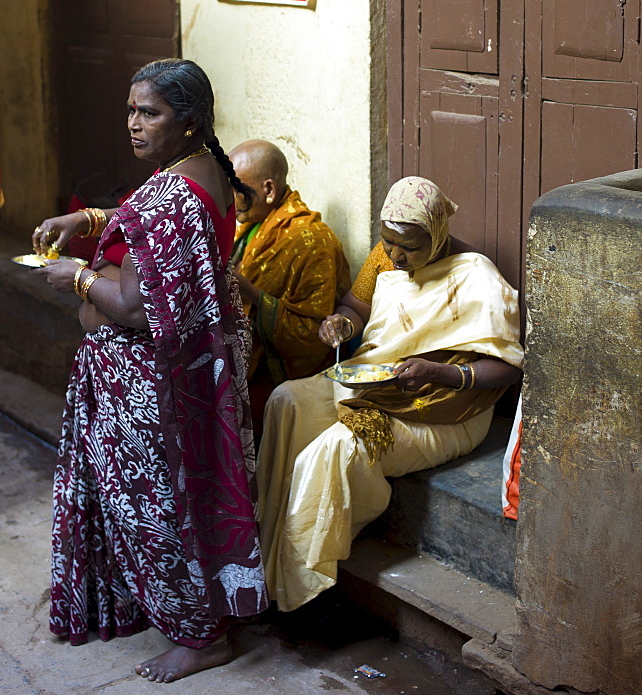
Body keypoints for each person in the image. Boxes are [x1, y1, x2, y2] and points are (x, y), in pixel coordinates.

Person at [33, 59, 267, 683]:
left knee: (154, 505)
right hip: (187, 373)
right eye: (131, 111)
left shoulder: (171, 195)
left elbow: (135, 306)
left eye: (150, 113)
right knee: (184, 491)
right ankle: (186, 609)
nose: (134, 125)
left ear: (189, 122)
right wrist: (85, 221)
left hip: (145, 382)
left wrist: (76, 276)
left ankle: (200, 638)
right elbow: (151, 229)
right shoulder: (204, 173)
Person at [257, 176, 523, 612]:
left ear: (437, 233)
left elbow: (507, 369)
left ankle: (298, 586)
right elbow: (355, 307)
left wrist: (437, 372)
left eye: (410, 247)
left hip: (441, 409)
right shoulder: (385, 259)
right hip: (378, 383)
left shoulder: (476, 275)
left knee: (336, 449)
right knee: (286, 400)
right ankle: (266, 545)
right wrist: (340, 322)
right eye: (388, 243)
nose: (396, 255)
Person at [229, 140, 350, 433]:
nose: (229, 199)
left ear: (269, 190)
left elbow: (310, 336)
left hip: (281, 373)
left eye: (236, 189)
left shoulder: (312, 241)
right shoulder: (251, 223)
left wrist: (247, 289)